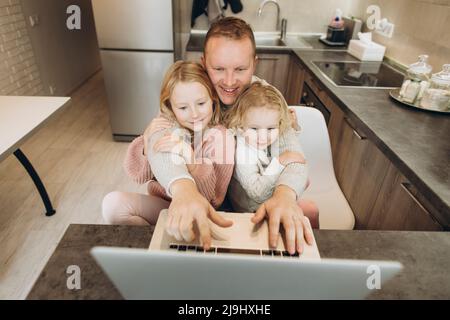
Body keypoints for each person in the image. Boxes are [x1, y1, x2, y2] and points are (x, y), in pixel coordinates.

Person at [105, 17, 315, 255]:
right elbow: (161, 141)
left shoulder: (265, 98)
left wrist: (286, 194)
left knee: (305, 212)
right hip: (192, 201)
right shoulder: (188, 91)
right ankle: (159, 265)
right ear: (204, 63)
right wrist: (184, 189)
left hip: (248, 212)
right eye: (218, 69)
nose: (228, 81)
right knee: (115, 207)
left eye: (240, 69)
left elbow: (294, 154)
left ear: (254, 64)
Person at [102, 61, 235, 231]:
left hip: (200, 212)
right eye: (183, 107)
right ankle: (154, 245)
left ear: (213, 99)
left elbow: (213, 198)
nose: (194, 114)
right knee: (112, 205)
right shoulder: (166, 126)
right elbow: (139, 176)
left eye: (201, 104)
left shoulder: (222, 138)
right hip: (164, 206)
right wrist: (146, 142)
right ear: (170, 106)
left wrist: (192, 162)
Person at [225, 82, 319, 237]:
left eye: (271, 129)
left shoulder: (260, 137)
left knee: (308, 202)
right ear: (240, 125)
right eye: (254, 129)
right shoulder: (242, 151)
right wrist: (280, 162)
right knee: (310, 210)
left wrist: (294, 129)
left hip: (272, 195)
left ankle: (312, 245)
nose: (263, 136)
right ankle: (310, 245)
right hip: (252, 207)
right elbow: (256, 192)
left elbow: (279, 149)